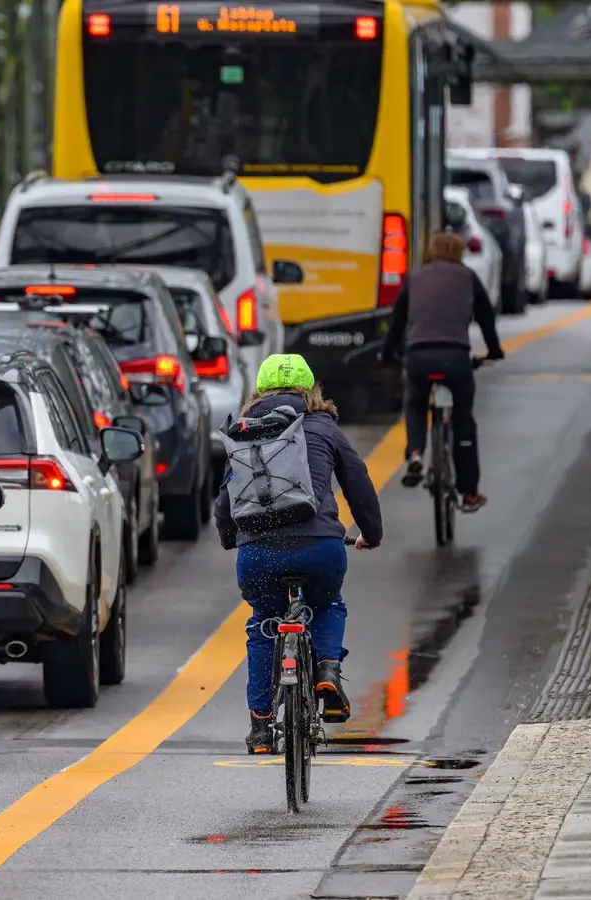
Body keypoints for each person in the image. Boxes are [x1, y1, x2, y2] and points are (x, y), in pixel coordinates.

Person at [215, 354, 383, 754]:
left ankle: (259, 728)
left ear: (260, 391)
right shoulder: (324, 427)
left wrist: (230, 539)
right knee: (327, 604)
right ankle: (327, 668)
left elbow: (226, 502)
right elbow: (358, 483)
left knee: (263, 624)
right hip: (321, 547)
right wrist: (371, 533)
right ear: (311, 390)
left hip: (258, 554)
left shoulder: (244, 431)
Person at [380, 231, 504, 512]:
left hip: (418, 357)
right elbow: (486, 317)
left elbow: (397, 321)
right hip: (456, 358)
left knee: (415, 403)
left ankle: (414, 452)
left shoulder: (415, 277)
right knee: (464, 422)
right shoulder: (468, 277)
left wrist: (388, 354)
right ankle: (470, 493)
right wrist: (494, 350)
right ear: (460, 253)